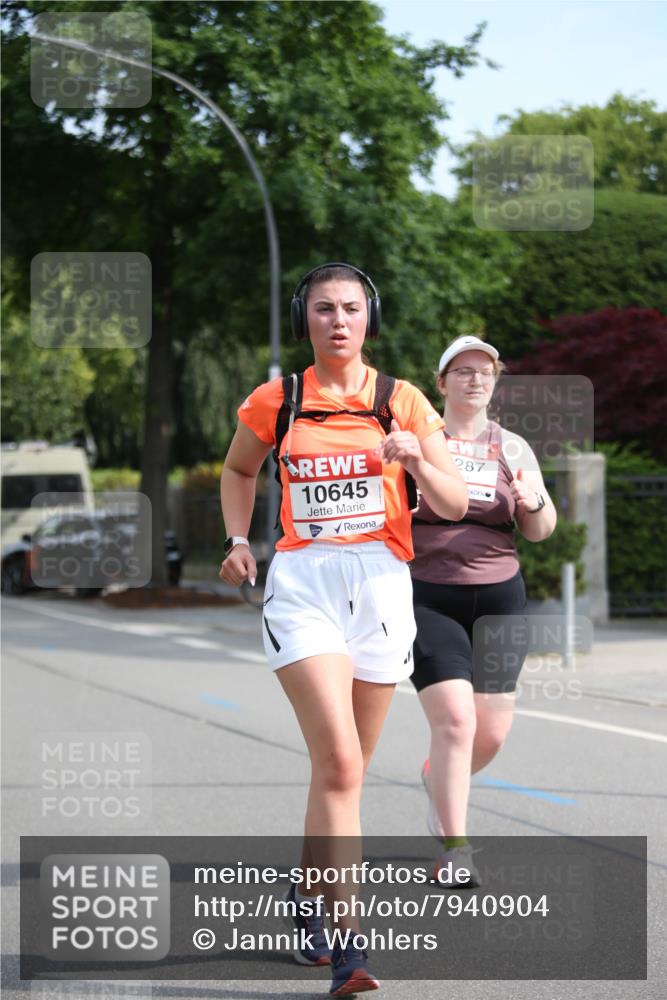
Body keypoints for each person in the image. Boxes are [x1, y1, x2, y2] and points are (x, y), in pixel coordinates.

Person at [219, 263, 467, 996]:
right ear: (306, 318)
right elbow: (238, 470)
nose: (337, 321)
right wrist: (238, 539)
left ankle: (306, 892)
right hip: (304, 585)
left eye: (350, 309)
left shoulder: (402, 402)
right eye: (323, 309)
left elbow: (452, 505)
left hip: (383, 586)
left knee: (348, 766)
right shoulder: (279, 398)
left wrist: (419, 458)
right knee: (338, 764)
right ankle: (348, 947)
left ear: (369, 318)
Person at [410, 335, 557, 883]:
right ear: (441, 382)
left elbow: (541, 530)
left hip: (500, 596)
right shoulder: (419, 442)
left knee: (490, 732)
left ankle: (437, 780)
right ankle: (455, 848)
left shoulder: (512, 447)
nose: (476, 379)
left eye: (486, 372)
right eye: (464, 371)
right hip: (428, 595)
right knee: (455, 719)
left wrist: (532, 501)